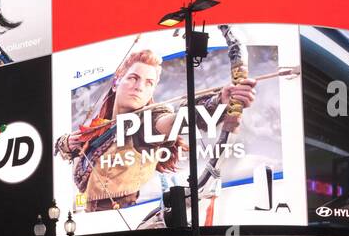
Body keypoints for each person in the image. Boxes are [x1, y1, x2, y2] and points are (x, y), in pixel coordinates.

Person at [55, 44, 255, 215]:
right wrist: (66, 142)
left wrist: (220, 102)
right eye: (133, 78)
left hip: (124, 220)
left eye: (148, 83)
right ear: (116, 82)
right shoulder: (103, 126)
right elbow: (71, 144)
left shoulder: (147, 121)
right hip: (89, 221)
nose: (139, 87)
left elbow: (176, 121)